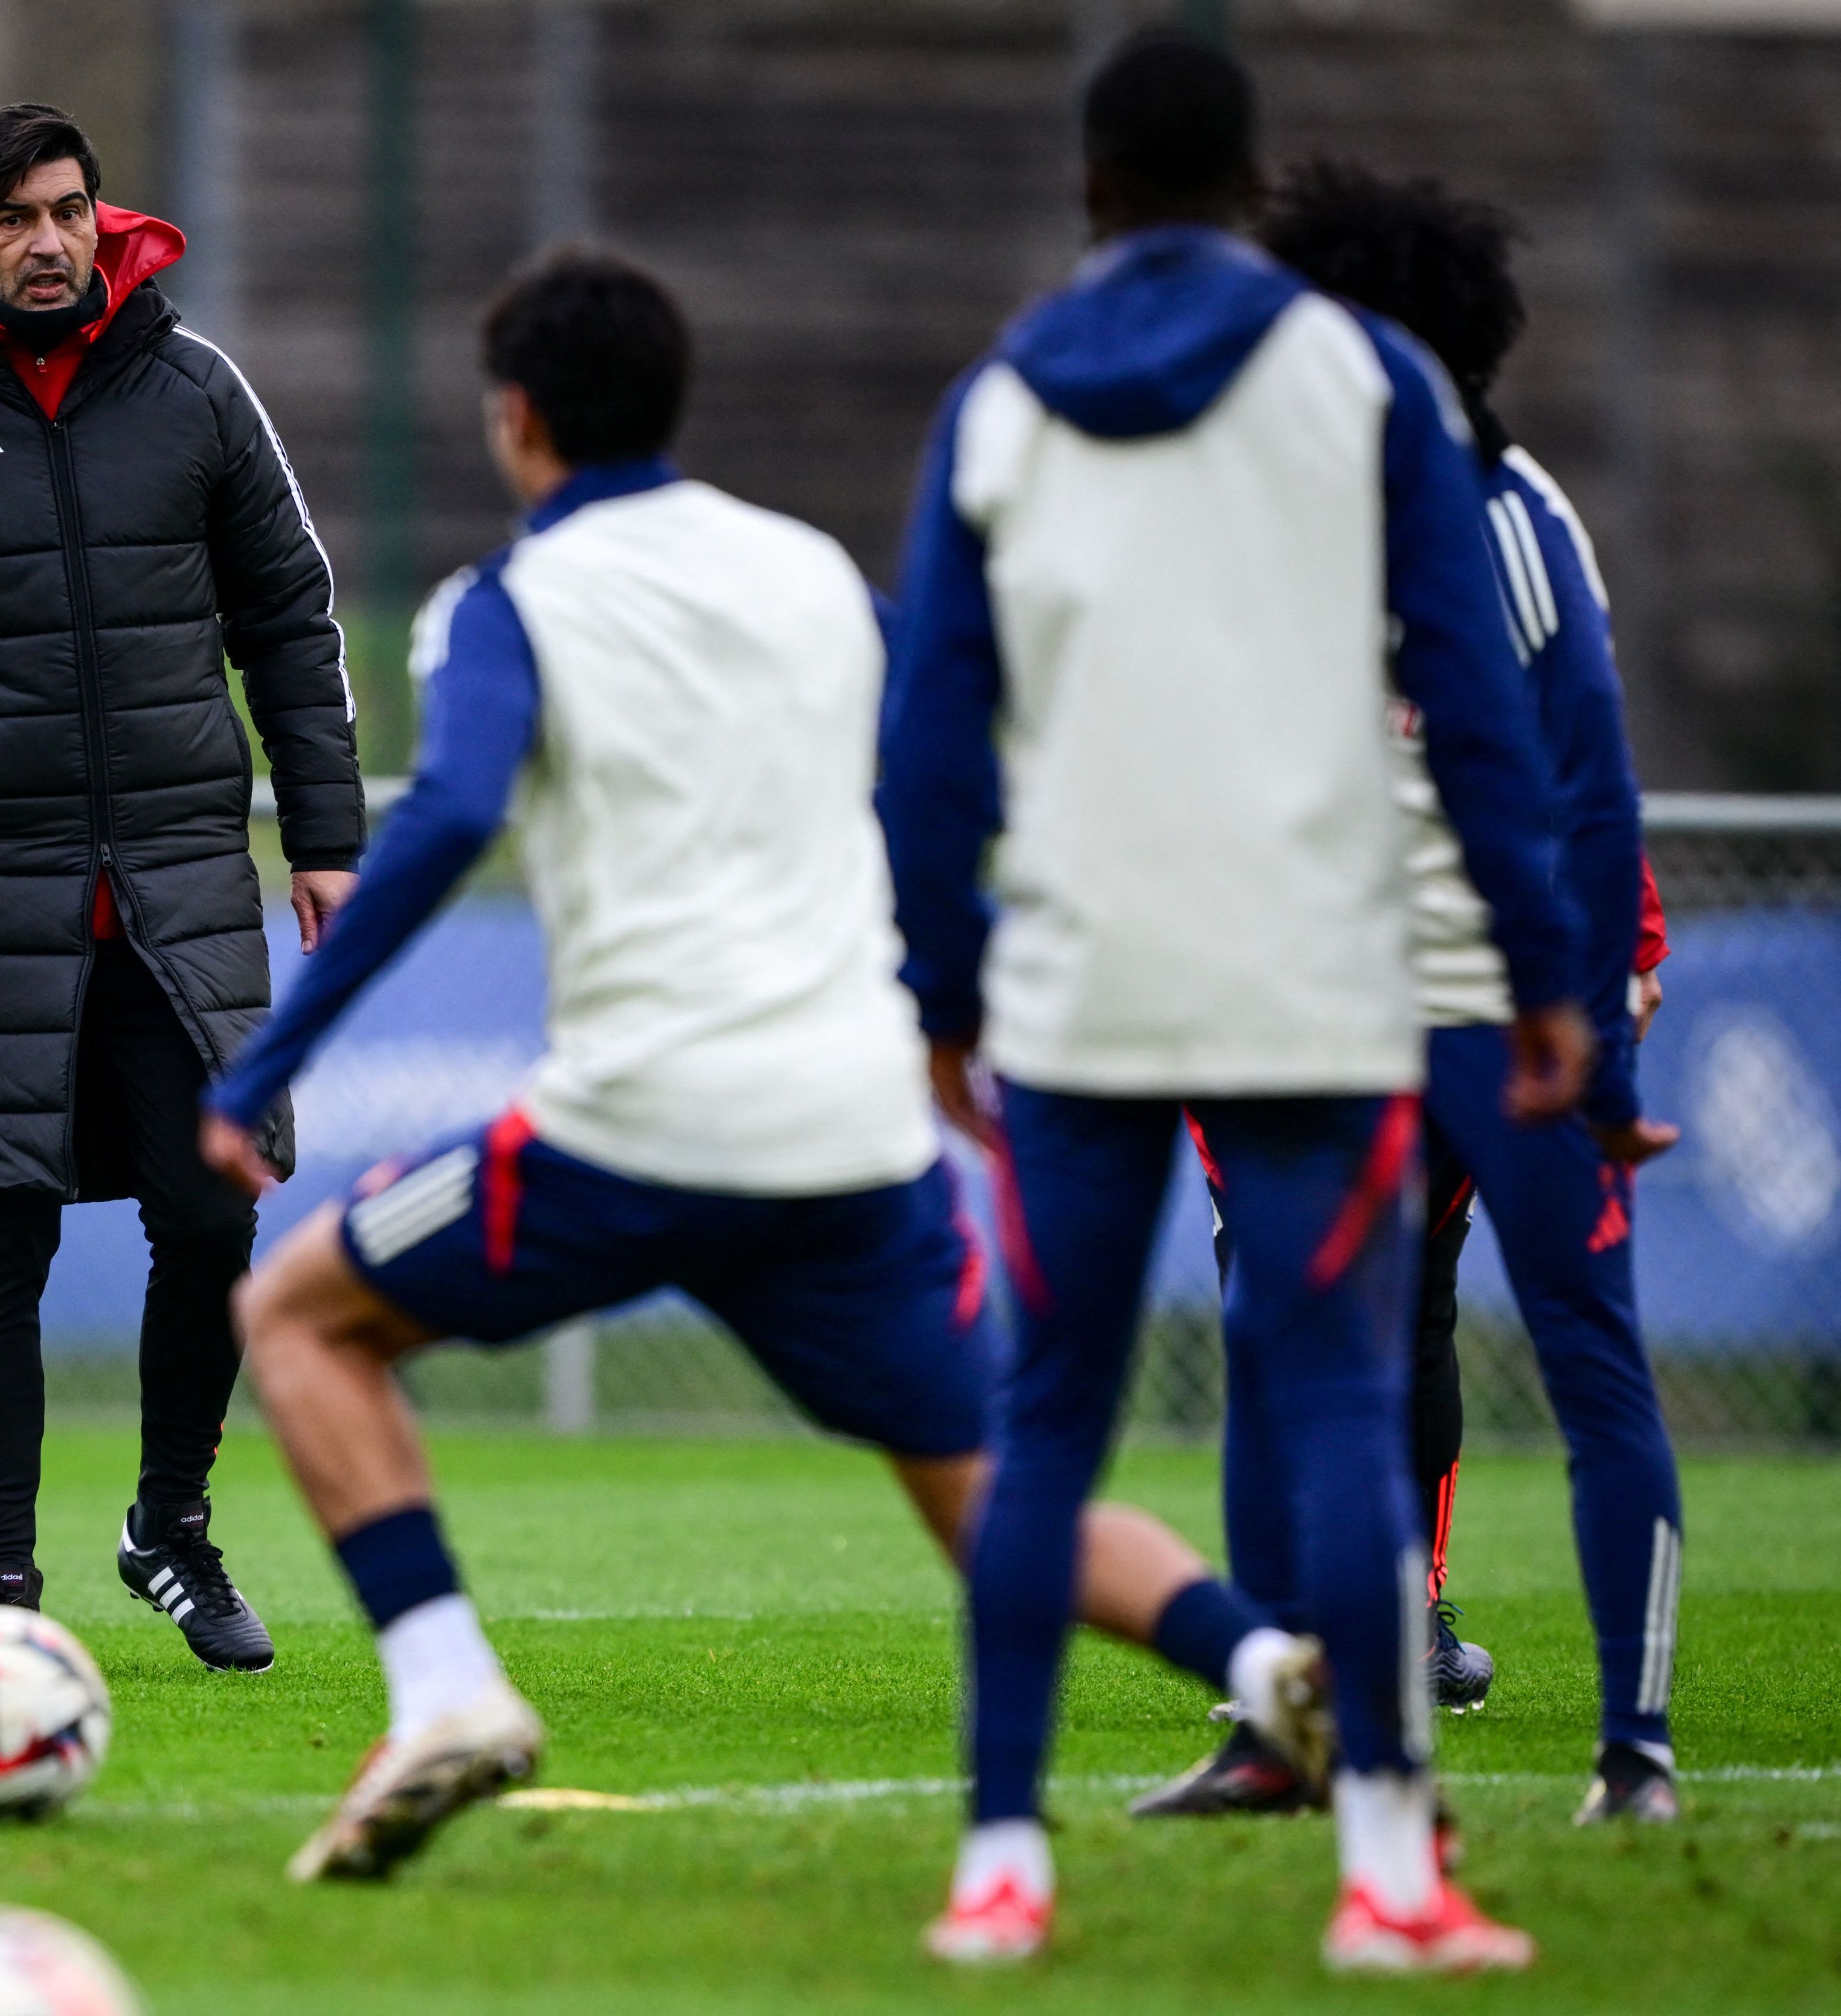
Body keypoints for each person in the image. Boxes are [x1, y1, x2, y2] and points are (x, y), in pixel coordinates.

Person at [201, 248, 1280, 1888]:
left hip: (637, 1129)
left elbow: (451, 814)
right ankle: (1272, 1671)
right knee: (985, 1493)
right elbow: (947, 783)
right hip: (849, 1135)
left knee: (296, 1318)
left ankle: (445, 1694)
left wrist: (269, 1050)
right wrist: (951, 1000)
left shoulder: (509, 603)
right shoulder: (817, 578)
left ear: (517, 422)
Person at [882, 34, 1593, 1972]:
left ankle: (999, 1871)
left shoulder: (1001, 396)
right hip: (1310, 990)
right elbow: (1466, 698)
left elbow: (929, 728)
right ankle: (1385, 1873)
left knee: (1044, 1430)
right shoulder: (1362, 381)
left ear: (1093, 188)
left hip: (1078, 993)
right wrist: (1542, 973)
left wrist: (940, 982)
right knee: (1348, 1414)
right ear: (1242, 177)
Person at [0, 104, 363, 1670]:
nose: (50, 241)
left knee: (214, 1211)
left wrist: (325, 836)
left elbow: (289, 622)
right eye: (16, 218)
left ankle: (168, 1529)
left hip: (180, 884)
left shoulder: (195, 387)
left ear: (104, 218)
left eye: (70, 211)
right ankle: (4, 1598)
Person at [1130, 160, 1686, 1830]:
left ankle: (1634, 1752)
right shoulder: (1268, 510)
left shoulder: (1511, 519)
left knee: (1585, 1358)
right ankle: (1276, 1724)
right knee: (1278, 1337)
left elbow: (1587, 790)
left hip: (1497, 1027)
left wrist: (1585, 1013)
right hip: (1308, 1016)